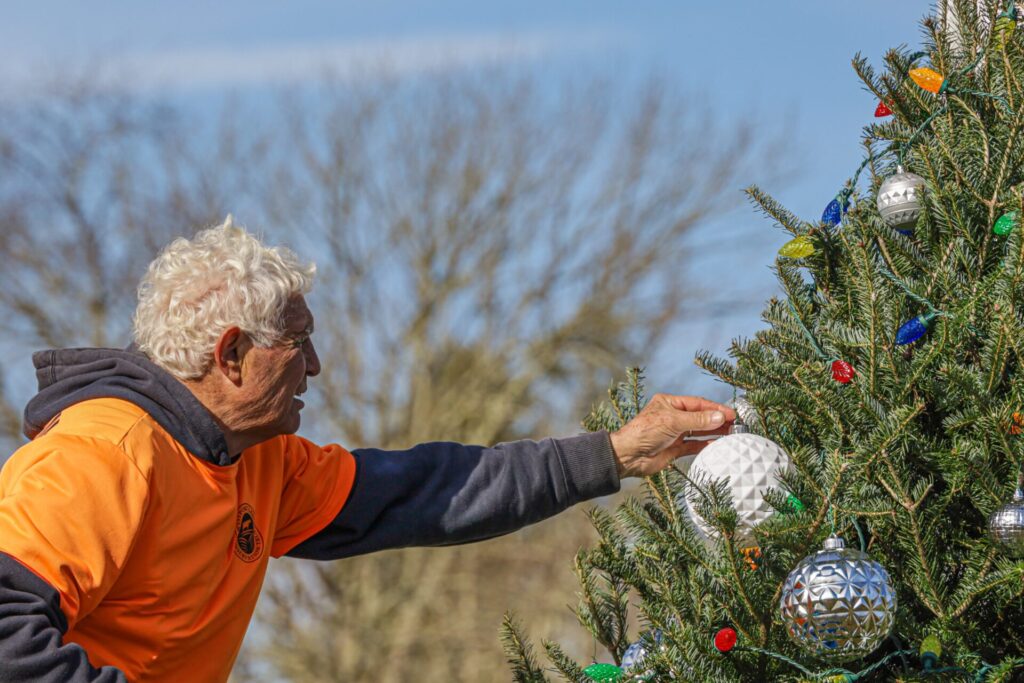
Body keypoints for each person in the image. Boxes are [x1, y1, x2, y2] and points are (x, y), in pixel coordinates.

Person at [0, 217, 735, 682]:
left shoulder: (259, 464)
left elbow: (433, 490)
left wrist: (616, 453)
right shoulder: (104, 455)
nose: (314, 367)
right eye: (299, 343)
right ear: (231, 354)